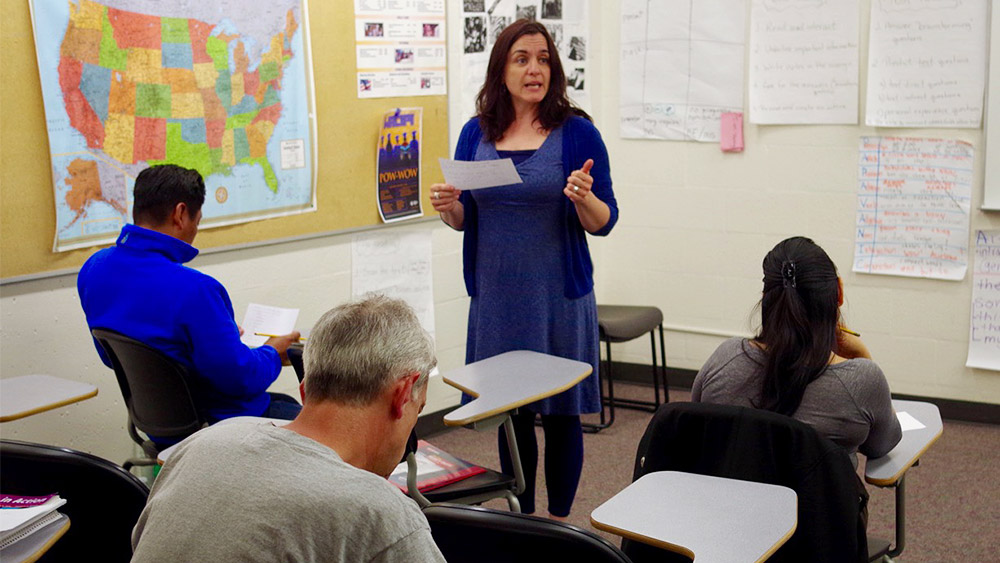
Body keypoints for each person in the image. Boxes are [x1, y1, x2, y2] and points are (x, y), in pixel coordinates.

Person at [430, 19, 618, 519]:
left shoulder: (577, 132)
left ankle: (559, 521)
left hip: (558, 297)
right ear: (502, 68)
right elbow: (466, 217)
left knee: (560, 413)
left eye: (543, 59)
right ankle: (523, 514)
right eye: (522, 59)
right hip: (496, 298)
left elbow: (605, 222)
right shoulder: (477, 131)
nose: (534, 69)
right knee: (513, 413)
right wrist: (448, 207)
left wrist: (585, 199)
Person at [131, 296, 445, 562]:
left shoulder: (201, 444)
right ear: (403, 395)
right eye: (418, 410)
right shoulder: (380, 513)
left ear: (305, 390)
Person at [78, 165, 302, 437]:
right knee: (319, 424)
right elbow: (241, 380)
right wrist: (273, 352)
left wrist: (218, 338)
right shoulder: (196, 289)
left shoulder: (93, 269)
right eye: (198, 219)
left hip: (158, 426)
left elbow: (111, 356)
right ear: (181, 214)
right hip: (218, 427)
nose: (196, 228)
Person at [692, 236, 902, 469]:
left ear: (765, 299)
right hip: (819, 507)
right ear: (839, 293)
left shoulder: (726, 358)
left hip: (732, 504)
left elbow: (698, 428)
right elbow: (883, 444)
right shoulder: (862, 380)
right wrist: (862, 354)